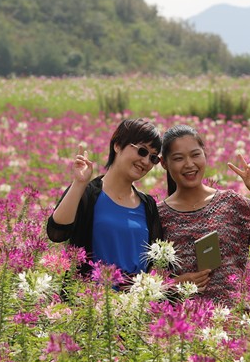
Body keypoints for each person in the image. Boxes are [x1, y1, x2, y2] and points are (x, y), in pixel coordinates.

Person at [157, 125, 250, 304]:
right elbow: (148, 281)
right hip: (185, 324)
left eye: (195, 155)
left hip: (235, 323)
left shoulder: (231, 203)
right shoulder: (158, 215)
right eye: (178, 158)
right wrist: (174, 284)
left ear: (205, 155)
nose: (189, 164)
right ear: (164, 163)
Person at [46, 118, 164, 280]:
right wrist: (79, 183)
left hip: (134, 303)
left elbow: (153, 262)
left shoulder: (148, 205)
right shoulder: (88, 193)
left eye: (153, 158)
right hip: (88, 301)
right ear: (117, 145)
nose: (145, 161)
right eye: (142, 151)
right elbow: (57, 232)